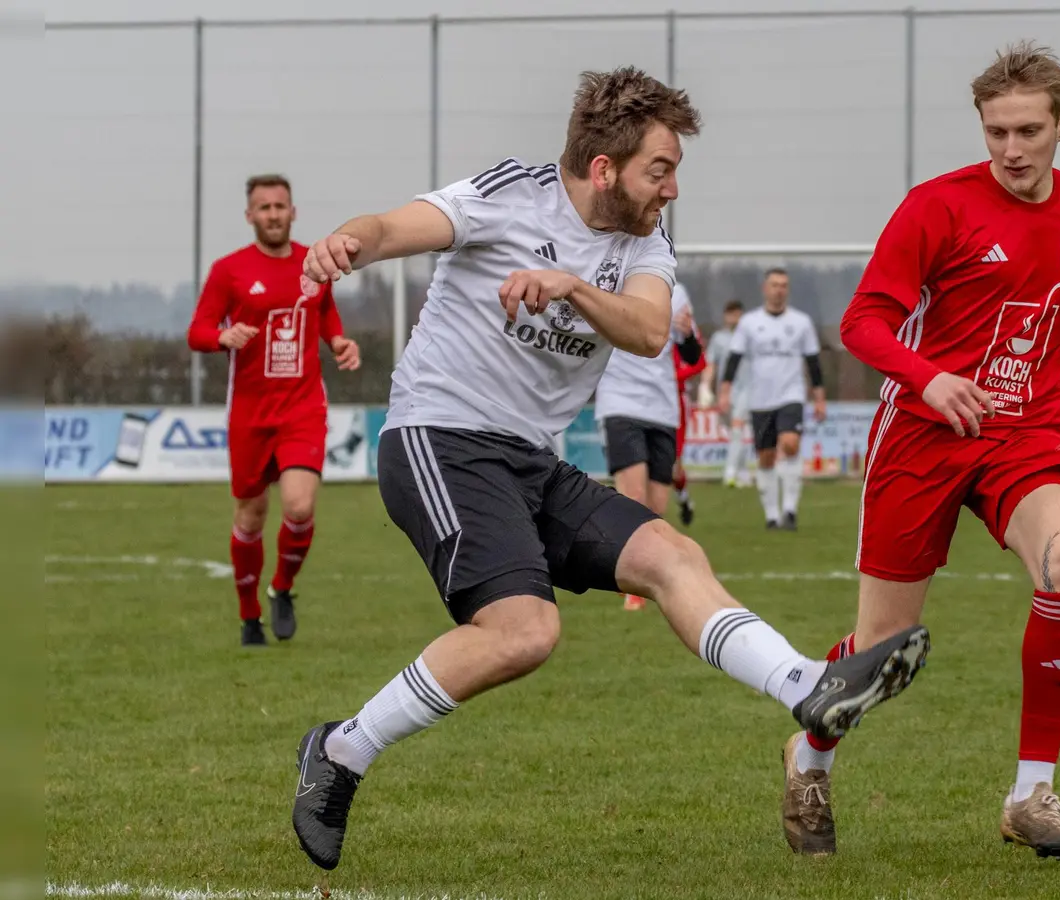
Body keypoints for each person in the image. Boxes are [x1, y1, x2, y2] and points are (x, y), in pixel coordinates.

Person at [287, 66, 930, 872]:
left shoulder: (646, 241)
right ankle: (342, 751)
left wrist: (571, 286)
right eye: (659, 170)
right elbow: (388, 228)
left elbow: (651, 328)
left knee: (671, 555)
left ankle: (807, 686)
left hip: (530, 459)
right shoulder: (507, 195)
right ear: (604, 170)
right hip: (439, 437)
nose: (671, 189)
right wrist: (349, 242)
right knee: (525, 632)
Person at [775, 41, 1060, 861]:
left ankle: (1032, 793)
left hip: (1025, 436)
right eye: (996, 131)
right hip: (923, 436)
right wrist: (930, 381)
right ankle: (808, 757)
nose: (1012, 149)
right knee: (885, 648)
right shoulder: (935, 207)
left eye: (1029, 129)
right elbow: (862, 324)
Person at [187, 174, 361, 648]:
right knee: (250, 517)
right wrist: (221, 337)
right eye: (263, 207)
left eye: (280, 205)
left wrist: (338, 341)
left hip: (303, 407)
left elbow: (324, 311)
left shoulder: (312, 263)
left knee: (300, 506)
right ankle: (249, 619)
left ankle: (282, 587)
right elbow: (197, 330)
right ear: (250, 216)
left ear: (293, 211)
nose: (273, 214)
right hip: (248, 413)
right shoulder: (229, 271)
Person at [595, 281, 702, 609]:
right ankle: (632, 588)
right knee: (634, 497)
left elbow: (692, 355)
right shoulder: (605, 281)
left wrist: (687, 336)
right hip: (620, 403)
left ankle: (620, 566)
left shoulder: (677, 291)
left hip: (662, 408)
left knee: (656, 506)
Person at [717, 270, 826, 530]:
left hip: (792, 394)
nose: (779, 290)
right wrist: (724, 392)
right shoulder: (749, 322)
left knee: (790, 444)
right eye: (775, 285)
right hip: (760, 399)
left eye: (784, 285)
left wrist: (819, 398)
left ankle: (789, 509)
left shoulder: (801, 322)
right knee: (765, 456)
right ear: (765, 288)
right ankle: (772, 515)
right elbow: (734, 358)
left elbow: (813, 362)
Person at [704, 300, 752, 487]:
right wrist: (705, 387)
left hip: (747, 389)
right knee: (734, 432)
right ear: (726, 316)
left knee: (738, 427)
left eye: (738, 314)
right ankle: (743, 472)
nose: (735, 318)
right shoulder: (718, 338)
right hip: (725, 390)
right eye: (731, 314)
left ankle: (730, 472)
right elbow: (711, 364)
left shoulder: (750, 337)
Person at [671, 316, 709, 528]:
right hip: (641, 401)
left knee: (673, 465)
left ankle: (683, 499)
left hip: (676, 402)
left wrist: (674, 377)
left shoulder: (681, 320)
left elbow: (700, 362)